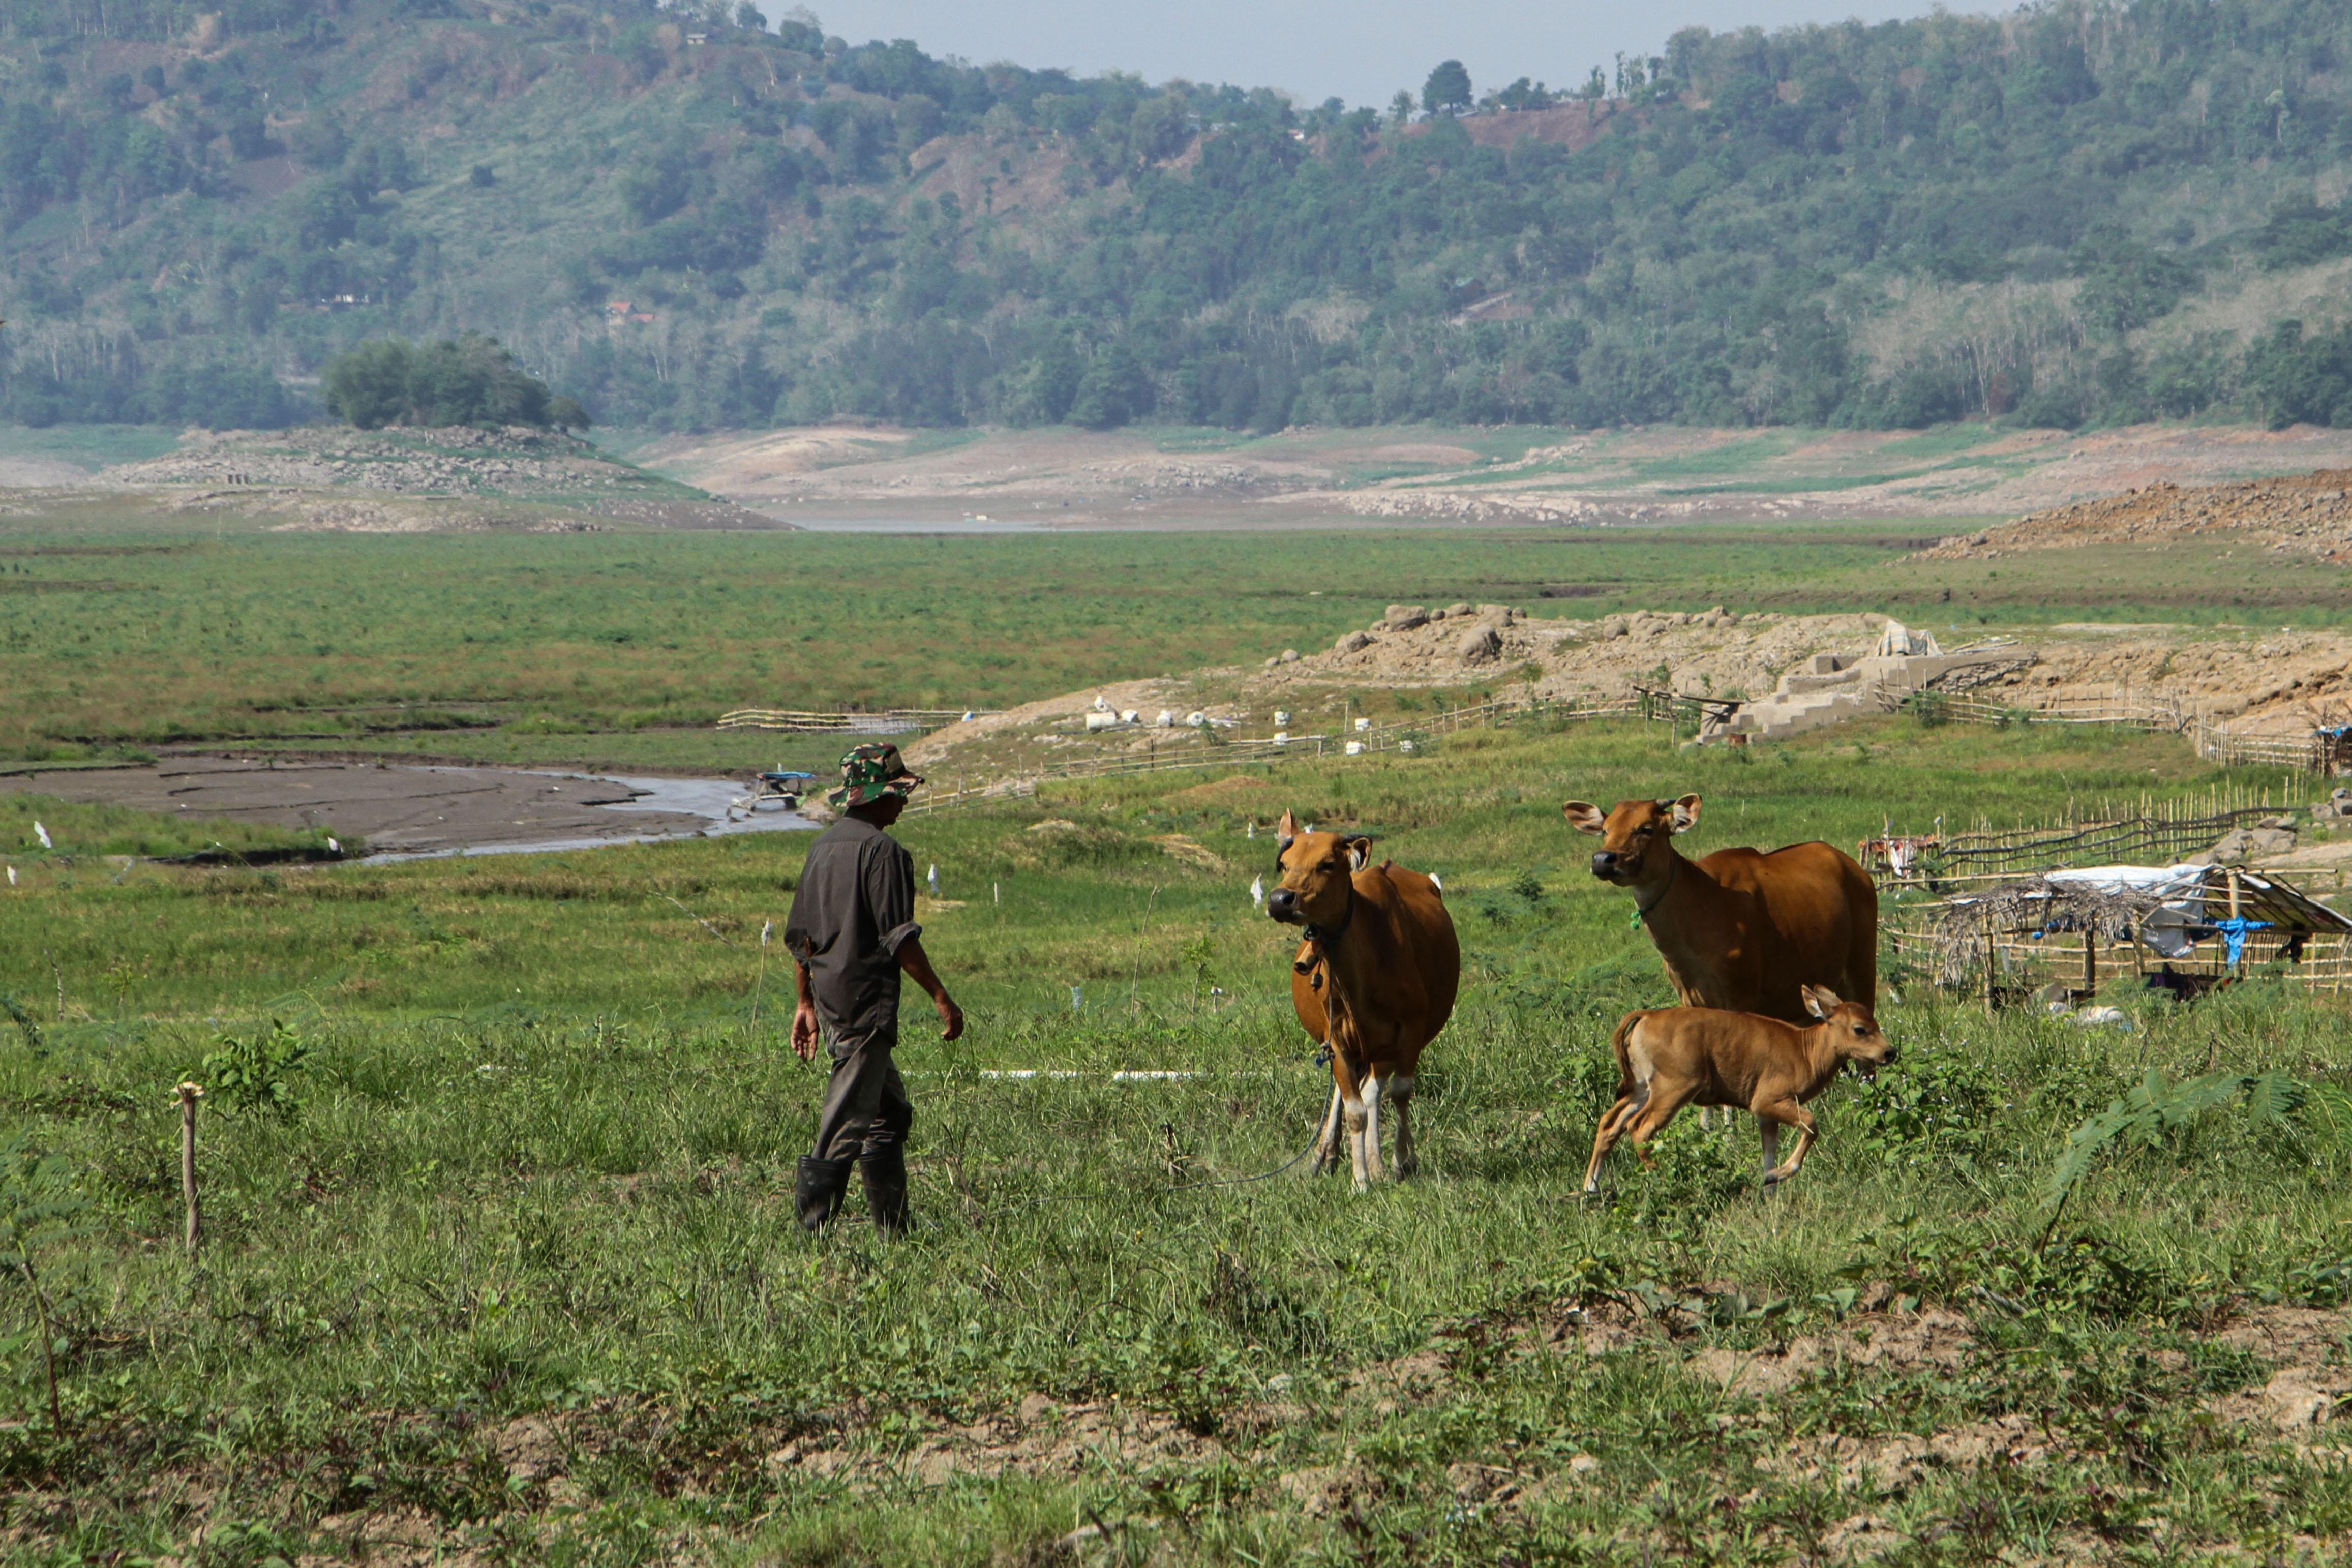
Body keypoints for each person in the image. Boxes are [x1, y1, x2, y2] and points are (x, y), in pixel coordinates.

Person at [783, 742, 964, 1236]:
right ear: (877, 796)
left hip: (832, 1002)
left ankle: (895, 1232)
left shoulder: (821, 849)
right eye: (899, 792)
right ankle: (810, 1237)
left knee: (888, 1113)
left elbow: (801, 939)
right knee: (844, 1125)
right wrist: (941, 997)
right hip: (865, 1006)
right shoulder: (884, 853)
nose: (904, 801)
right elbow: (899, 938)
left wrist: (806, 1003)